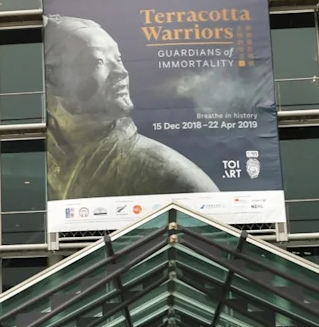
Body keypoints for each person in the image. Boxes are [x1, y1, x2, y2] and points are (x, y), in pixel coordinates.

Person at [44, 14, 219, 202]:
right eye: (98, 62)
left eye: (118, 60)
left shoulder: (176, 180)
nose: (121, 72)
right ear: (52, 76)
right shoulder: (36, 159)